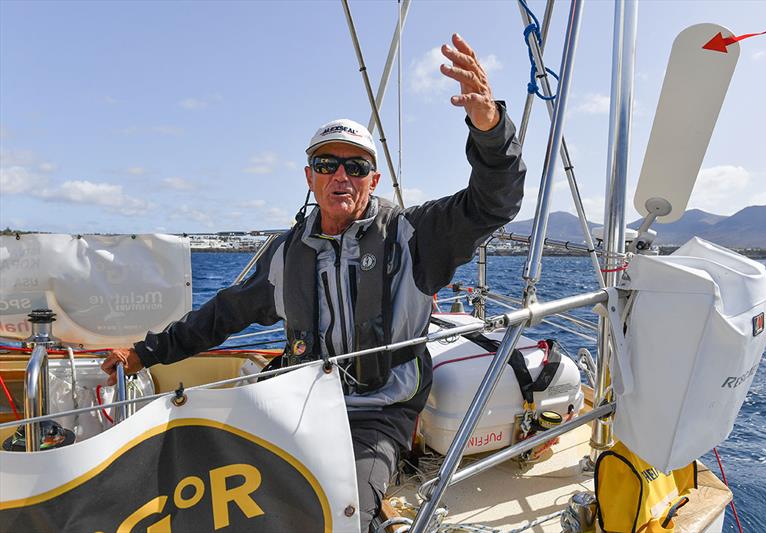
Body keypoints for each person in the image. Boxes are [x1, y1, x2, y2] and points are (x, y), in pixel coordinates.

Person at [102, 33, 526, 532]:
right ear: (309, 176)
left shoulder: (415, 237)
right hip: (299, 402)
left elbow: (494, 203)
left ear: (373, 180)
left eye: (356, 166)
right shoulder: (287, 255)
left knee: (345, 517)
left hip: (378, 412)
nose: (340, 176)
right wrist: (144, 353)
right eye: (327, 164)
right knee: (216, 495)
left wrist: (491, 131)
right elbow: (222, 316)